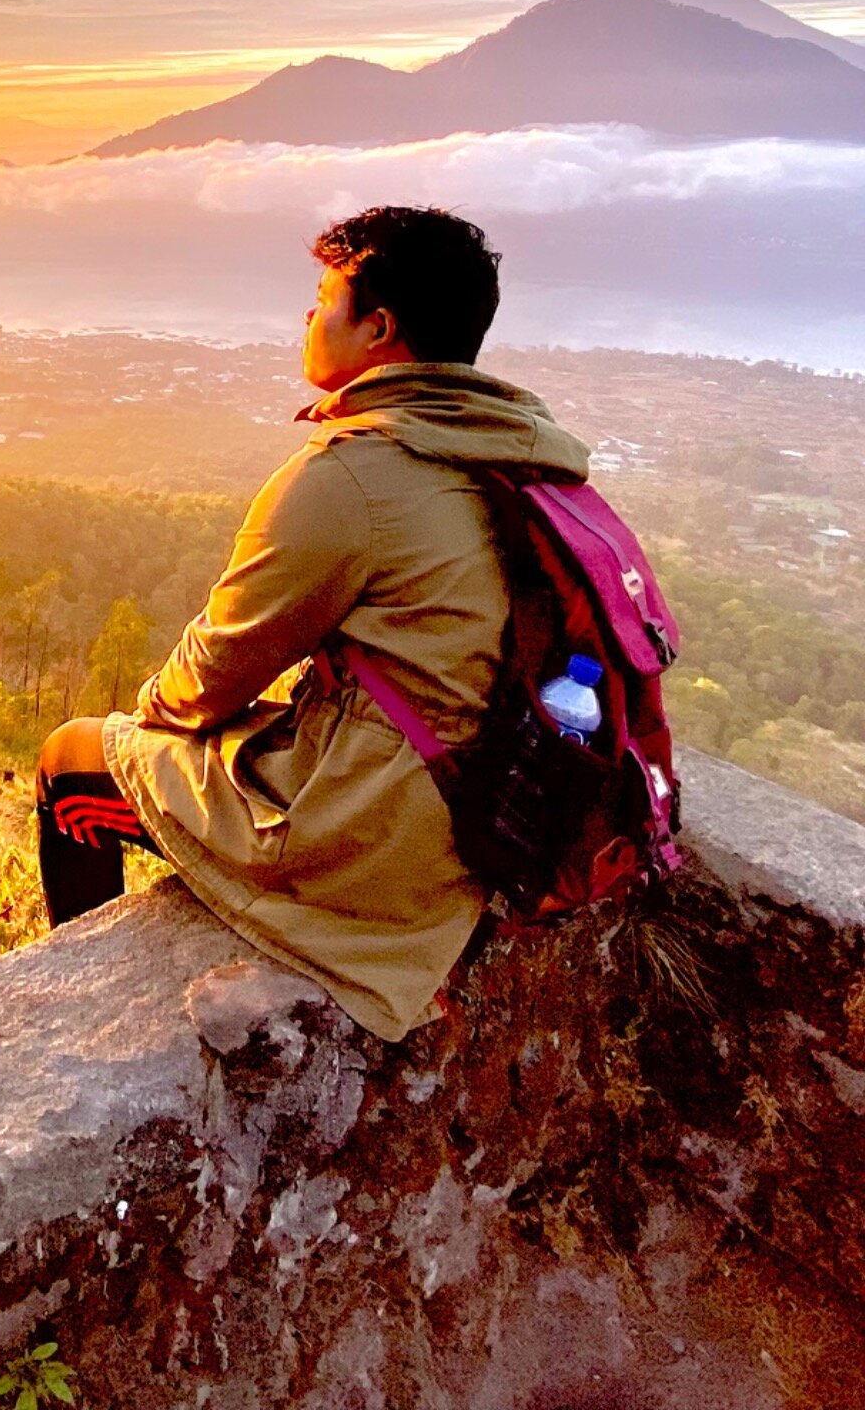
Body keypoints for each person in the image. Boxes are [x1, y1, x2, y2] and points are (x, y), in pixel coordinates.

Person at [35, 204, 589, 1040]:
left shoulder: (351, 475)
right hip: (497, 807)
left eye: (325, 297)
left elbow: (212, 674)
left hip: (385, 845)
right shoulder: (517, 451)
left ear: (378, 327)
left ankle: (75, 1016)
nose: (307, 316)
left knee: (72, 761)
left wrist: (143, 731)